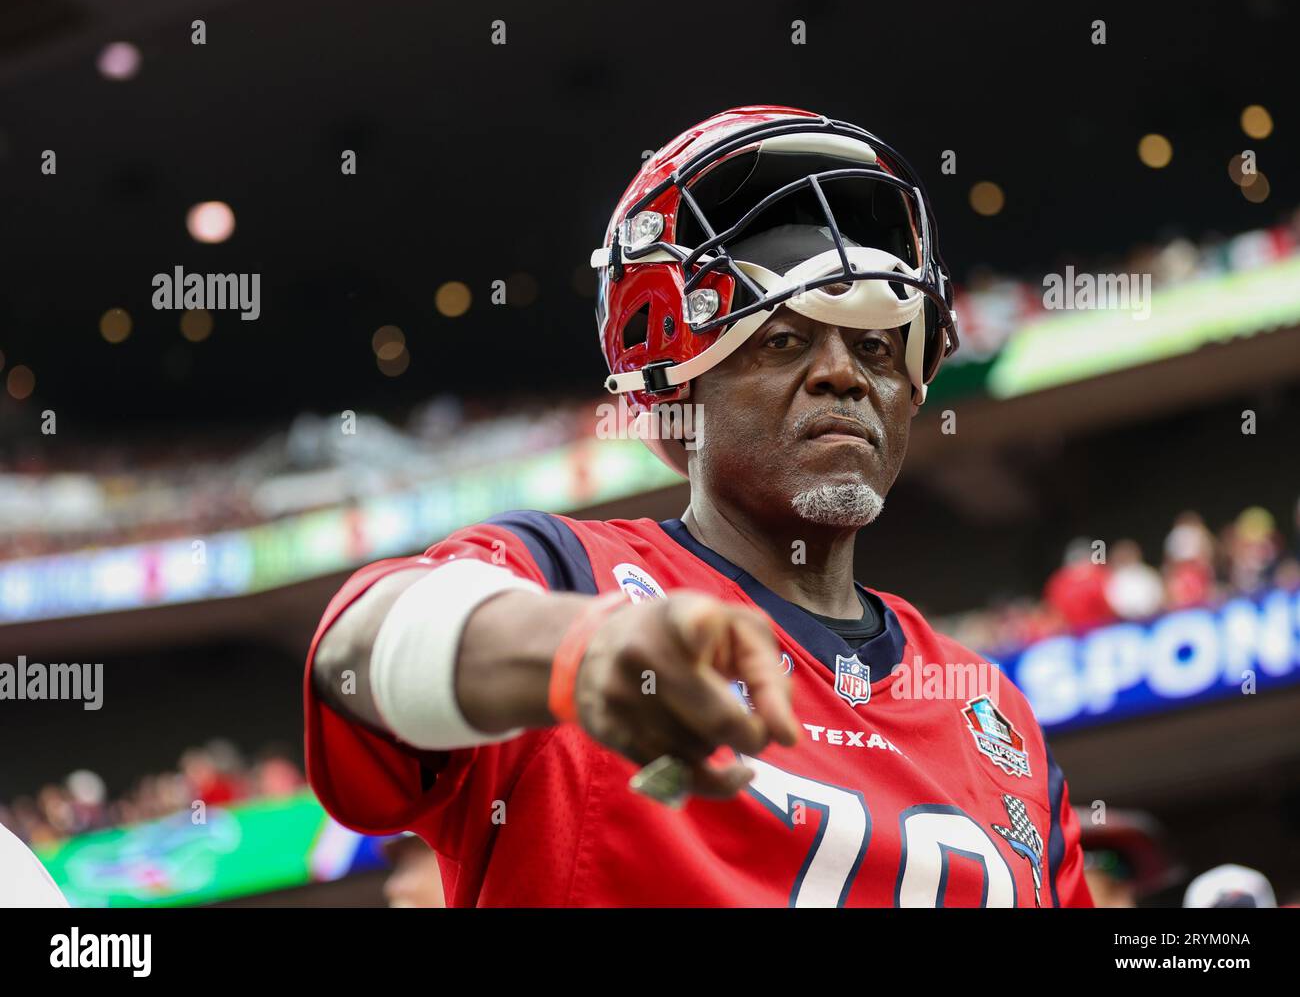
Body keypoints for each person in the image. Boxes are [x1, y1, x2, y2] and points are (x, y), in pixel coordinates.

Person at [303, 106, 1093, 908]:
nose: (842, 374)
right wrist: (577, 649)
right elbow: (349, 659)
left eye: (875, 345)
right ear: (679, 388)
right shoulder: (573, 580)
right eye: (783, 339)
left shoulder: (995, 713)